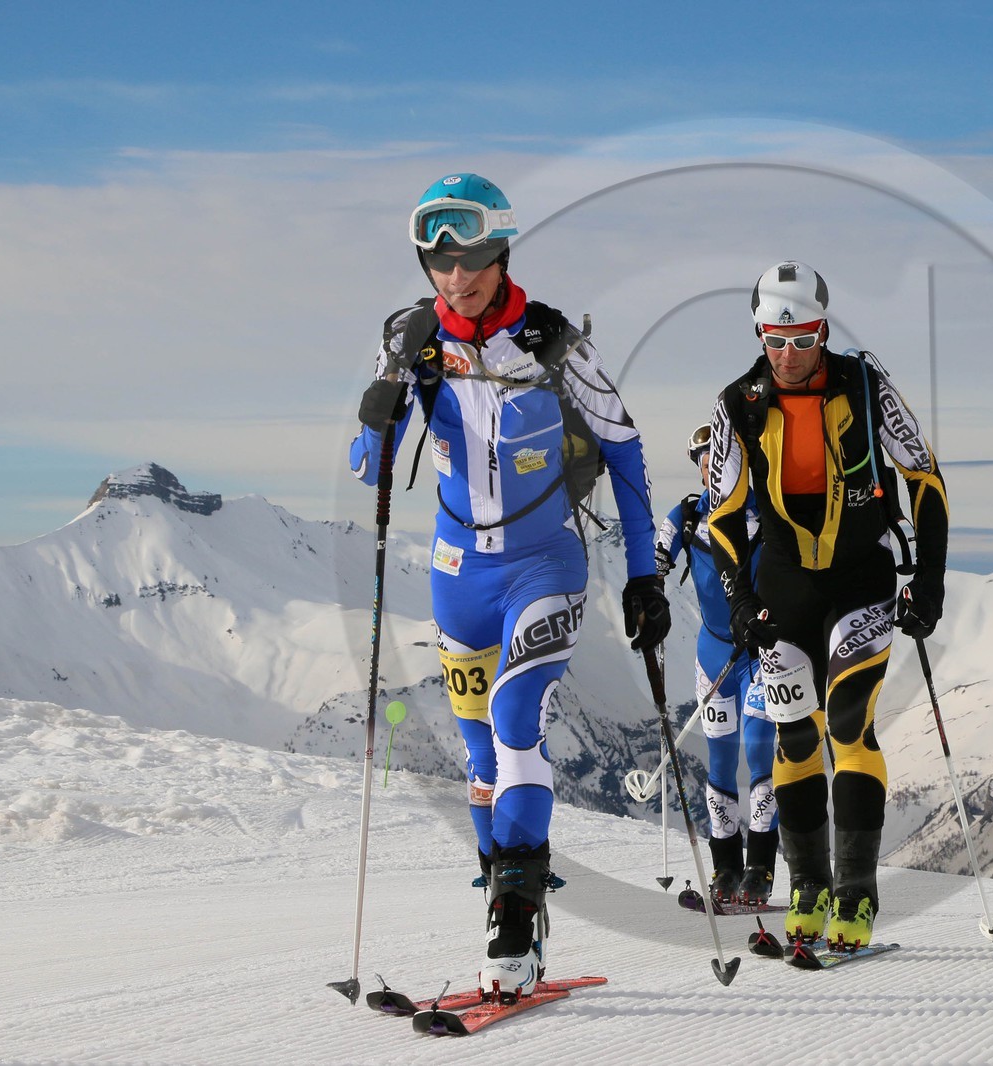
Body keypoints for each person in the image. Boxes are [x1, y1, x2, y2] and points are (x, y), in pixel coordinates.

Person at [349, 173, 669, 999]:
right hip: (457, 573)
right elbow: (367, 469)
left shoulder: (556, 343)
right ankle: (507, 896)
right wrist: (382, 407)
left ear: (501, 250)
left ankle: (514, 929)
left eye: (471, 257)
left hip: (545, 563)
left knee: (515, 719)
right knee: (481, 757)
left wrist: (643, 577)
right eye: (437, 260)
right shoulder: (409, 335)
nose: (454, 277)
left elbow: (626, 455)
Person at [705, 260, 949, 950]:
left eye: (803, 338)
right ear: (758, 335)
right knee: (793, 738)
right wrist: (741, 597)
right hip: (783, 589)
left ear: (824, 329)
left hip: (860, 581)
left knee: (848, 725)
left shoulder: (866, 387)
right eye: (774, 340)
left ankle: (857, 894)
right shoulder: (736, 403)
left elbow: (925, 481)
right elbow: (721, 514)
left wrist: (926, 581)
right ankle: (806, 886)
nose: (788, 355)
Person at [654, 424, 778, 905]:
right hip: (712, 655)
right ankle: (726, 869)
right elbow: (656, 554)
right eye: (705, 464)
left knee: (760, 752)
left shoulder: (763, 511)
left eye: (720, 463)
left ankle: (761, 869)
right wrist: (650, 589)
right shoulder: (687, 516)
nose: (712, 471)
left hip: (761, 653)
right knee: (722, 762)